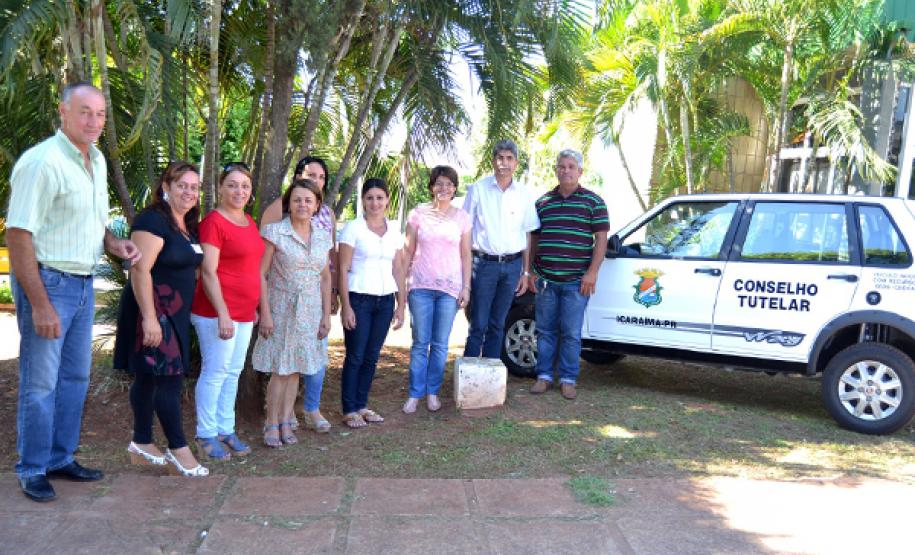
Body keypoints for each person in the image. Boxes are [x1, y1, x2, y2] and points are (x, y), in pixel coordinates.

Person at [7, 82, 141, 502]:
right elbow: (18, 235)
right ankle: (32, 467)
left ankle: (60, 458)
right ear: (63, 112)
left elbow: (87, 219)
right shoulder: (42, 162)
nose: (94, 122)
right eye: (85, 112)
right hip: (49, 284)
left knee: (75, 380)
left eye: (100, 114)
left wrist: (112, 243)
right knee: (41, 384)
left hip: (82, 284)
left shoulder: (96, 160)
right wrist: (40, 304)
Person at [113, 161, 208, 477]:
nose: (189, 192)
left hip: (174, 312)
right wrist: (149, 319)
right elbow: (140, 270)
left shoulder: (186, 224)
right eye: (182, 185)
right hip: (153, 310)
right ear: (166, 186)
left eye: (194, 187)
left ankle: (141, 442)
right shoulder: (153, 220)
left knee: (149, 377)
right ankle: (179, 449)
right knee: (169, 378)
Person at [191, 163, 265, 460]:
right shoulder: (213, 222)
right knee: (215, 371)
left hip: (245, 312)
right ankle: (205, 433)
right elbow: (208, 272)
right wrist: (223, 312)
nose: (239, 191)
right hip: (215, 312)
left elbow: (250, 267)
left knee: (233, 372)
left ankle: (225, 428)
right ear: (220, 188)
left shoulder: (249, 220)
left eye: (245, 186)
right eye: (232, 185)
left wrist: (254, 306)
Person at [252, 179, 333, 446]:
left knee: (297, 368)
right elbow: (261, 274)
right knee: (281, 370)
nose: (302, 205)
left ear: (317, 205)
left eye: (308, 200)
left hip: (310, 312)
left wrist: (325, 316)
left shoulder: (322, 236)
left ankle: (287, 421)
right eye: (297, 200)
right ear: (289, 203)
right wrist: (265, 312)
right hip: (281, 309)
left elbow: (325, 278)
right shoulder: (275, 232)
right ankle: (271, 423)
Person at [527, 150, 609, 400]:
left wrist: (592, 272)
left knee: (571, 333)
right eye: (561, 166)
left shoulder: (594, 202)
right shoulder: (542, 203)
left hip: (577, 282)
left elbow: (601, 239)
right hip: (545, 281)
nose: (566, 171)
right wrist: (529, 271)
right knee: (545, 330)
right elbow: (534, 239)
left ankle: (568, 378)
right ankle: (543, 376)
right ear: (556, 170)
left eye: (571, 166)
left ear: (580, 171)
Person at [402, 166, 472, 414]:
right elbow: (408, 250)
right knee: (421, 342)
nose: (444, 189)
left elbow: (465, 254)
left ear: (455, 188)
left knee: (440, 344)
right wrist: (403, 285)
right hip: (420, 286)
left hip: (450, 289)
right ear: (432, 186)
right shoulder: (418, 213)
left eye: (449, 184)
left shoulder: (462, 217)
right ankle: (415, 393)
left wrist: (466, 287)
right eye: (439, 184)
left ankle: (432, 392)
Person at [338, 178, 406, 428]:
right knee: (355, 355)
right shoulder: (353, 228)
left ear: (387, 200)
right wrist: (346, 306)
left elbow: (398, 268)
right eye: (369, 198)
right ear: (363, 200)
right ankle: (349, 408)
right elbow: (343, 269)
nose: (375, 203)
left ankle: (362, 405)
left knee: (371, 356)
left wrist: (401, 304)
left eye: (379, 197)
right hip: (359, 299)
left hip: (385, 300)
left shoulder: (394, 231)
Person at [462, 140, 540, 359]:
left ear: (516, 162)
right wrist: (465, 273)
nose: (504, 163)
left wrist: (525, 272)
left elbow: (527, 234)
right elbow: (465, 231)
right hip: (484, 264)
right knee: (478, 323)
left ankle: (489, 375)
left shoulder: (524, 194)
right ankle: (468, 373)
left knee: (498, 323)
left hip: (512, 267)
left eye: (509, 158)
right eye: (500, 158)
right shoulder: (478, 189)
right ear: (493, 161)